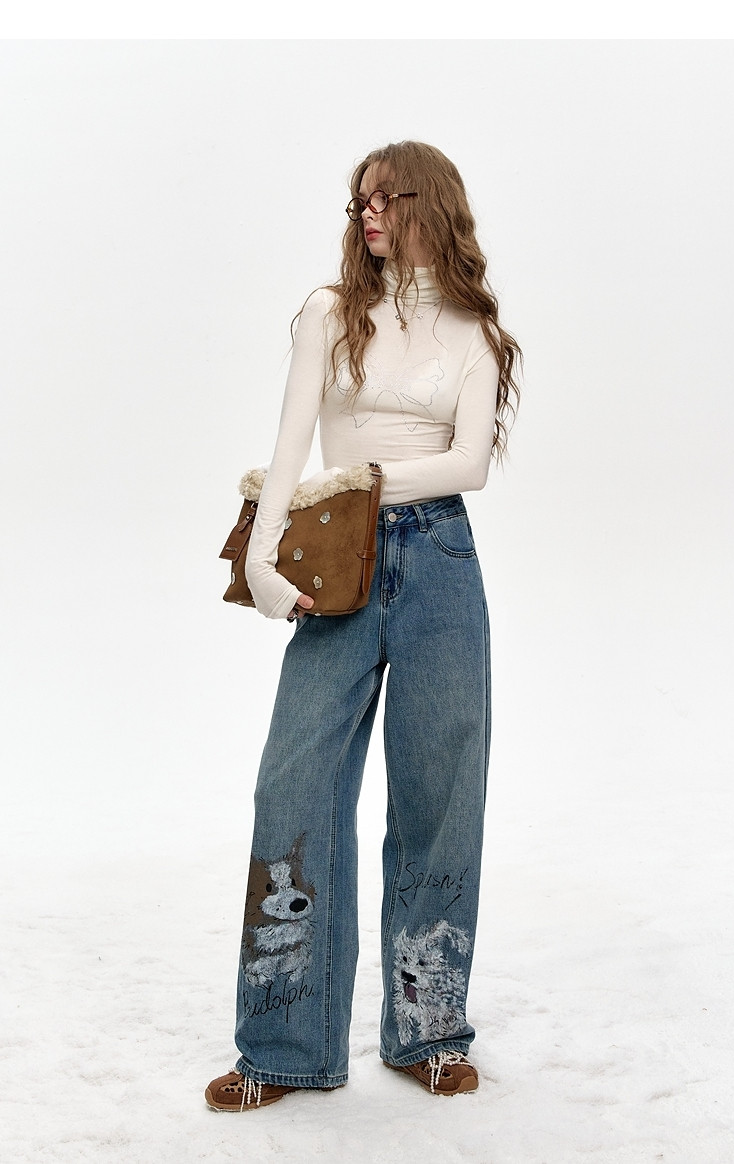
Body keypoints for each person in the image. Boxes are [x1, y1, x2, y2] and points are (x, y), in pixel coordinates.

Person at [205, 140, 521, 1110]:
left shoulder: (475, 332)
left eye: (387, 197)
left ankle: (429, 1031)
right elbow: (290, 441)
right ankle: (281, 1047)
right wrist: (262, 561)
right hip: (339, 560)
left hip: (440, 562)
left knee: (439, 798)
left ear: (433, 204)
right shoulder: (330, 312)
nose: (368, 213)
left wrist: (367, 483)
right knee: (293, 789)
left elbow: (468, 465)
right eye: (361, 200)